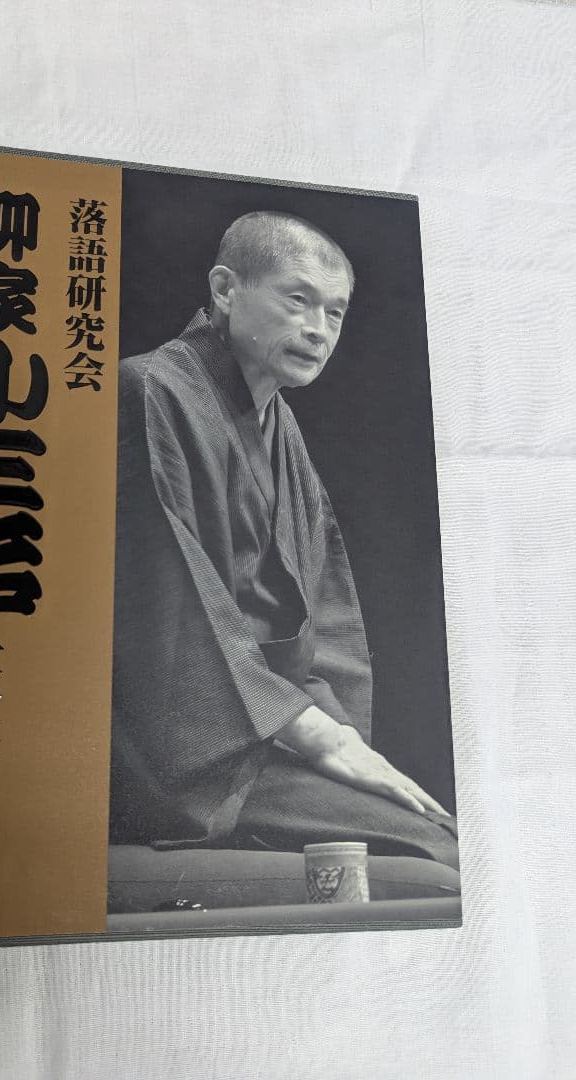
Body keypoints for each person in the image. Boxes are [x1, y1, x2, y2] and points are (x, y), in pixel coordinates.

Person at [110, 210, 458, 868]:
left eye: (334, 312)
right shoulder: (150, 391)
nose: (317, 328)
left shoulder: (280, 426)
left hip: (271, 722)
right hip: (185, 743)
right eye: (297, 299)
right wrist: (324, 742)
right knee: (428, 852)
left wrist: (341, 738)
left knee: (439, 834)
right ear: (225, 289)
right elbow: (172, 613)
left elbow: (318, 614)